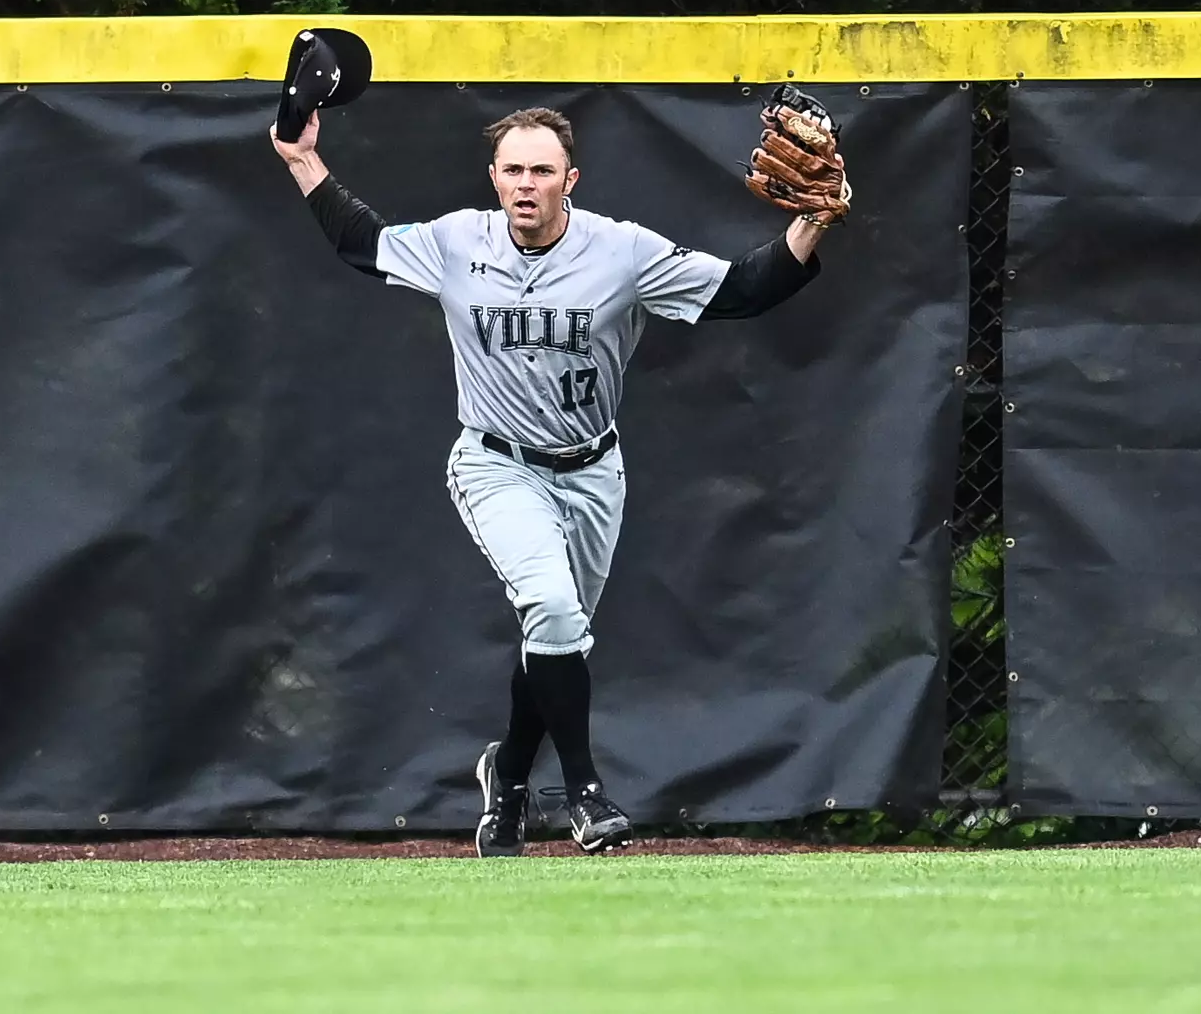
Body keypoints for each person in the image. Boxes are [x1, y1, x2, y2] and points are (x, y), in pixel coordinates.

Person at [271, 104, 840, 856]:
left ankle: (505, 773)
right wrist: (300, 159)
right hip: (495, 462)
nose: (526, 184)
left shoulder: (621, 252)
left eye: (542, 170)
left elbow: (742, 290)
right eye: (513, 170)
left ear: (570, 180)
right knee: (553, 609)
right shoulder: (454, 242)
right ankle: (583, 791)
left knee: (557, 632)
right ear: (493, 179)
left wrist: (815, 223)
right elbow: (361, 241)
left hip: (592, 473)